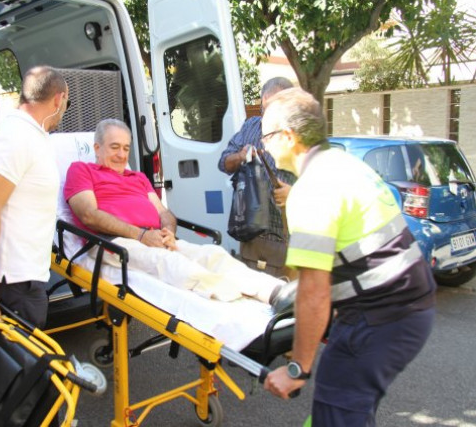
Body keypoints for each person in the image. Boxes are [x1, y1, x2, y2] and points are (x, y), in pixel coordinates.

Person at [261, 88, 436, 426]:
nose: (264, 145)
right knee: (345, 405)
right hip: (410, 306)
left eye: (267, 136)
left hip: (381, 316)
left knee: (337, 406)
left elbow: (314, 290)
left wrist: (297, 367)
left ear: (287, 137)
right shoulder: (343, 165)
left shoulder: (312, 190)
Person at [64, 118, 284, 304]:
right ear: (97, 148)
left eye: (126, 148)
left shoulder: (137, 178)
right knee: (172, 264)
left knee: (212, 254)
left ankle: (274, 291)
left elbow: (163, 212)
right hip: (112, 242)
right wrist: (140, 235)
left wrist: (168, 231)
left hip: (152, 237)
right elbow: (89, 215)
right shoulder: (81, 171)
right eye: (115, 147)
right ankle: (239, 304)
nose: (122, 155)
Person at [0, 65, 69, 340]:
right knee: (15, 377)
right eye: (66, 103)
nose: (63, 110)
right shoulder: (13, 138)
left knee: (17, 377)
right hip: (9, 285)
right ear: (58, 99)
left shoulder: (31, 137)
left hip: (22, 281)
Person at [218, 77, 295, 277]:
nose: (266, 114)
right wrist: (240, 157)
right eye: (264, 107)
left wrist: (293, 194)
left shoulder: (300, 134)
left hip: (289, 237)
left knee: (286, 301)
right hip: (254, 236)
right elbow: (223, 162)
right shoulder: (252, 126)